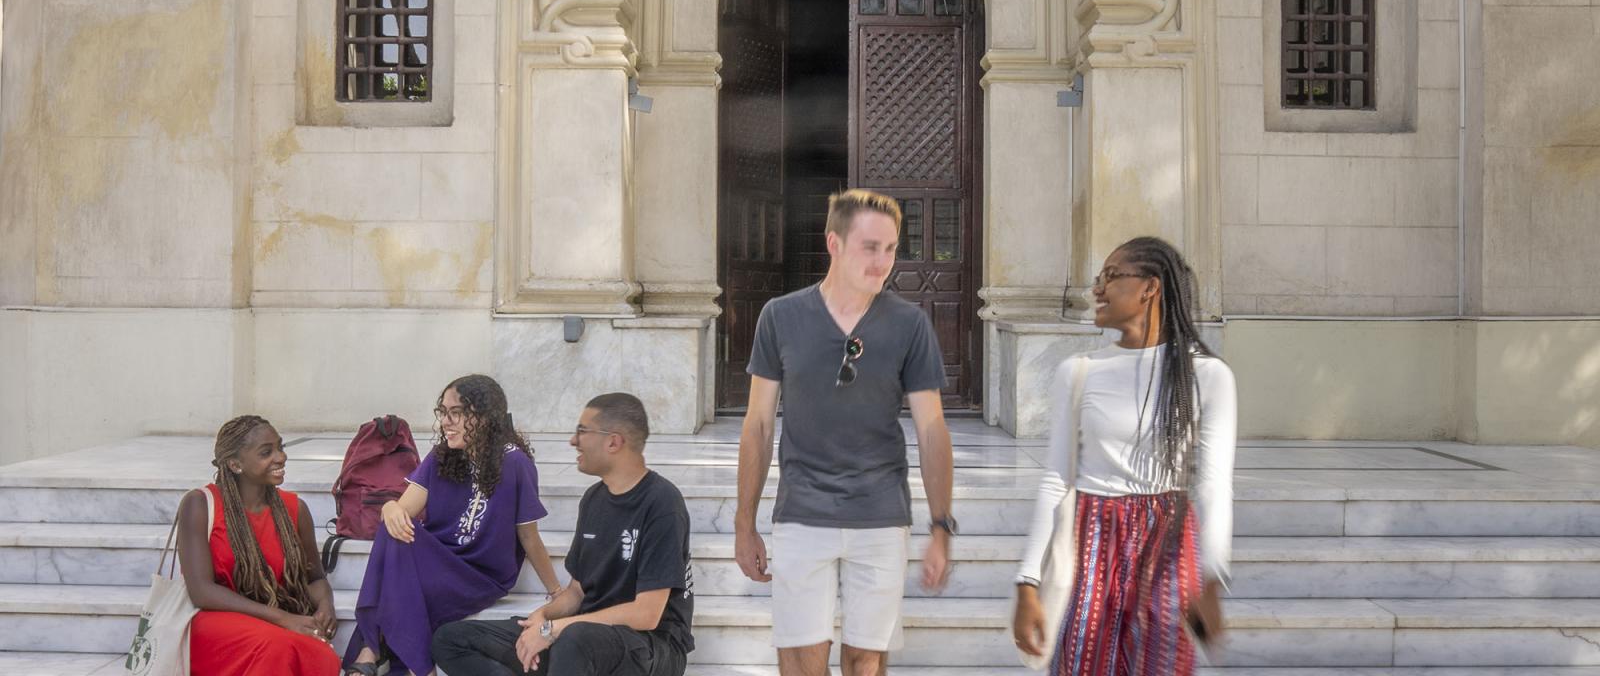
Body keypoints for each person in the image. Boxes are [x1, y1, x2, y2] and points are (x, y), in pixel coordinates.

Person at [734, 188, 956, 676]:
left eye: (891, 248)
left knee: (866, 662)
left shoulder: (910, 324)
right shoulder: (780, 316)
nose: (883, 261)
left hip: (880, 513)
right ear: (833, 243)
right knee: (800, 661)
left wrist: (941, 526)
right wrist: (743, 522)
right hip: (802, 513)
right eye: (870, 247)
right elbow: (757, 425)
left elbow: (932, 429)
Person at [1011, 236, 1237, 675]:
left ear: (1150, 287)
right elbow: (1057, 478)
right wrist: (1028, 582)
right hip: (1091, 540)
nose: (1098, 289)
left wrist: (1212, 576)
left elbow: (1212, 483)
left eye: (1111, 277)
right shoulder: (1079, 372)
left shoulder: (1208, 376)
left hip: (1169, 542)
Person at [432, 392, 694, 676]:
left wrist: (554, 628)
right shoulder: (594, 499)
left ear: (613, 442)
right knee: (451, 639)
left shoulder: (662, 502)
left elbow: (647, 614)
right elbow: (577, 591)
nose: (573, 441)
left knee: (575, 639)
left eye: (582, 431)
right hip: (583, 639)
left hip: (651, 648)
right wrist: (542, 617)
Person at [344, 374, 562, 676]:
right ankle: (417, 666)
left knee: (400, 579)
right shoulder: (440, 457)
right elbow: (403, 510)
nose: (446, 422)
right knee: (392, 530)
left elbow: (528, 535)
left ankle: (373, 649)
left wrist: (556, 590)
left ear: (484, 417)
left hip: (480, 575)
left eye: (456, 413)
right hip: (438, 562)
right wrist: (391, 507)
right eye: (443, 412)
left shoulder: (515, 463)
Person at [177, 414, 340, 676]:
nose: (280, 457)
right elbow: (201, 591)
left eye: (280, 447)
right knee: (277, 647)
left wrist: (325, 606)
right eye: (266, 452)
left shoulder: (295, 509)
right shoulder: (199, 504)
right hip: (215, 621)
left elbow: (315, 578)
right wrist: (283, 619)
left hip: (275, 621)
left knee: (322, 656)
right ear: (235, 464)